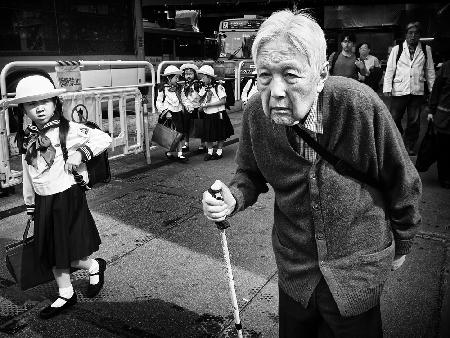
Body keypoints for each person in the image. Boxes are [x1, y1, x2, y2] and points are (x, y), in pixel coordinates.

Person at [202, 10, 422, 337]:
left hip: (356, 273)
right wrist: (231, 198)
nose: (275, 91)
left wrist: (402, 242)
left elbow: (401, 178)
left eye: (290, 75)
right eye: (264, 75)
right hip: (296, 274)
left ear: (320, 76)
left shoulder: (360, 106)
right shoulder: (255, 116)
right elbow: (248, 174)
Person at [10, 75, 112, 319]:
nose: (39, 107)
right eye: (31, 104)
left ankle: (92, 267)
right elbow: (28, 174)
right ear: (23, 109)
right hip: (44, 199)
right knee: (51, 250)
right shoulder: (27, 138)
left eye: (45, 101)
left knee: (68, 249)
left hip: (68, 195)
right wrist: (30, 204)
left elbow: (103, 138)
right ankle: (67, 292)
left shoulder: (70, 130)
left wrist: (81, 153)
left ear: (55, 102)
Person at [383, 21, 435, 156]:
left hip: (417, 90)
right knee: (394, 118)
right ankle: (397, 141)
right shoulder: (397, 49)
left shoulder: (425, 49)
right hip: (400, 89)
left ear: (419, 35)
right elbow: (390, 69)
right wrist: (387, 87)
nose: (413, 36)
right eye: (410, 33)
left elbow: (430, 71)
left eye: (416, 33)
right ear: (406, 35)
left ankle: (409, 145)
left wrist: (433, 90)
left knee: (414, 121)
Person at [197, 65, 234, 161]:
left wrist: (209, 105)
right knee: (208, 134)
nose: (202, 79)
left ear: (209, 77)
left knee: (220, 132)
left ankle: (219, 151)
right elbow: (200, 100)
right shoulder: (203, 88)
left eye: (204, 76)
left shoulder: (218, 87)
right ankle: (209, 152)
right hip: (207, 114)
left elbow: (223, 101)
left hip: (218, 113)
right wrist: (201, 105)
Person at [426, 55, 450, 188]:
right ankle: (445, 177)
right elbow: (436, 90)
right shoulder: (446, 67)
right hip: (444, 116)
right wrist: (431, 111)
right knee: (444, 149)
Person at [156, 65, 188, 162]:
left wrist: (188, 106)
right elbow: (158, 102)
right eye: (176, 77)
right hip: (169, 115)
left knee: (180, 134)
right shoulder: (162, 88)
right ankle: (172, 152)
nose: (177, 79)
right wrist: (165, 112)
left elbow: (183, 98)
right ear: (168, 78)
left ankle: (178, 154)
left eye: (178, 77)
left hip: (178, 113)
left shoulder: (179, 88)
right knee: (175, 135)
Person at [180, 63, 205, 152]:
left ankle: (202, 144)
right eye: (186, 74)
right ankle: (186, 143)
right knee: (186, 126)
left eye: (190, 74)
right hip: (188, 108)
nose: (188, 76)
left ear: (195, 75)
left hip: (198, 107)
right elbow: (182, 97)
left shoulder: (199, 84)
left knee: (200, 125)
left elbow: (202, 95)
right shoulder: (184, 85)